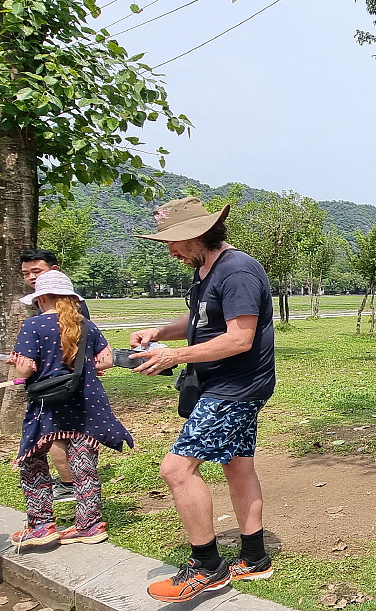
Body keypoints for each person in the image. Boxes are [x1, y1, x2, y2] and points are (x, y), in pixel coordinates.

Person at [128, 198, 276, 602]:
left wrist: (174, 356)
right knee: (237, 467)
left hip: (235, 388)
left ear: (199, 234)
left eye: (175, 242)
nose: (172, 250)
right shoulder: (204, 272)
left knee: (176, 470)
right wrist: (159, 334)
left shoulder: (238, 270)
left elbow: (239, 337)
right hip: (225, 386)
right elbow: (200, 322)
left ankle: (207, 567)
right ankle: (254, 558)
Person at [8, 270, 133, 548]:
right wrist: (80, 368)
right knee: (83, 461)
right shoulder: (85, 325)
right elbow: (106, 360)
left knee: (32, 459)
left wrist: (17, 367)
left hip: (48, 404)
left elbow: (26, 368)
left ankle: (41, 525)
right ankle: (89, 524)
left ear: (41, 299)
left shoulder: (33, 326)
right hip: (85, 400)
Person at [20, 249, 90, 502]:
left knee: (60, 435)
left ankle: (69, 485)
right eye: (26, 273)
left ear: (55, 270)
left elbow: (76, 348)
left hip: (59, 386)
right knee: (73, 438)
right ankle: (83, 496)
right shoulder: (64, 307)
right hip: (75, 384)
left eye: (36, 272)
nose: (31, 277)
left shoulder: (72, 311)